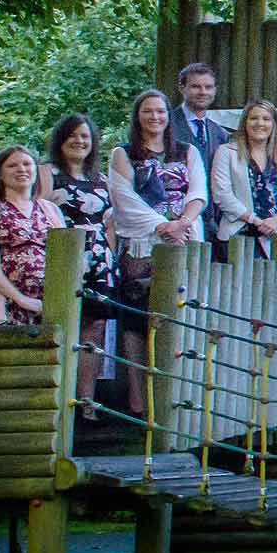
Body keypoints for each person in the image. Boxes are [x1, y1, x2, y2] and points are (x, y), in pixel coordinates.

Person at [111, 88, 207, 423]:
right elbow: (123, 198)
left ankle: (175, 399)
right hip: (143, 242)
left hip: (183, 239)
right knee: (137, 320)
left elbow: (198, 192)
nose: (155, 117)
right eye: (148, 111)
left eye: (161, 111)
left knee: (178, 315)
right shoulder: (123, 154)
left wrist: (183, 223)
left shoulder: (188, 151)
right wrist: (162, 225)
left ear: (169, 116)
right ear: (138, 116)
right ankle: (139, 400)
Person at [37, 116, 117, 422]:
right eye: (72, 135)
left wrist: (111, 256)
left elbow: (110, 223)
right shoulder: (48, 173)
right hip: (65, 255)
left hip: (99, 258)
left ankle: (87, 401)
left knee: (94, 328)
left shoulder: (101, 178)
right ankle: (56, 397)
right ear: (60, 140)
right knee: (62, 322)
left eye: (85, 136)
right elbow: (37, 211)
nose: (79, 141)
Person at [0, 146, 61, 327]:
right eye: (12, 165)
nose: (21, 169)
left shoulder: (50, 209)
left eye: (27, 164)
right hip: (2, 302)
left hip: (46, 307)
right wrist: (21, 299)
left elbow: (64, 257)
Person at [209, 99, 277, 259]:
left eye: (266, 119)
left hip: (276, 236)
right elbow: (222, 194)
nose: (260, 123)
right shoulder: (226, 152)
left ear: (274, 124)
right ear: (245, 122)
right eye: (254, 118)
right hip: (236, 236)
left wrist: (276, 220)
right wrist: (254, 220)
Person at [168, 62, 230, 183]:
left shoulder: (221, 134)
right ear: (182, 88)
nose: (203, 92)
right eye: (196, 87)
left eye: (208, 87)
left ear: (215, 90)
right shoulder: (165, 125)